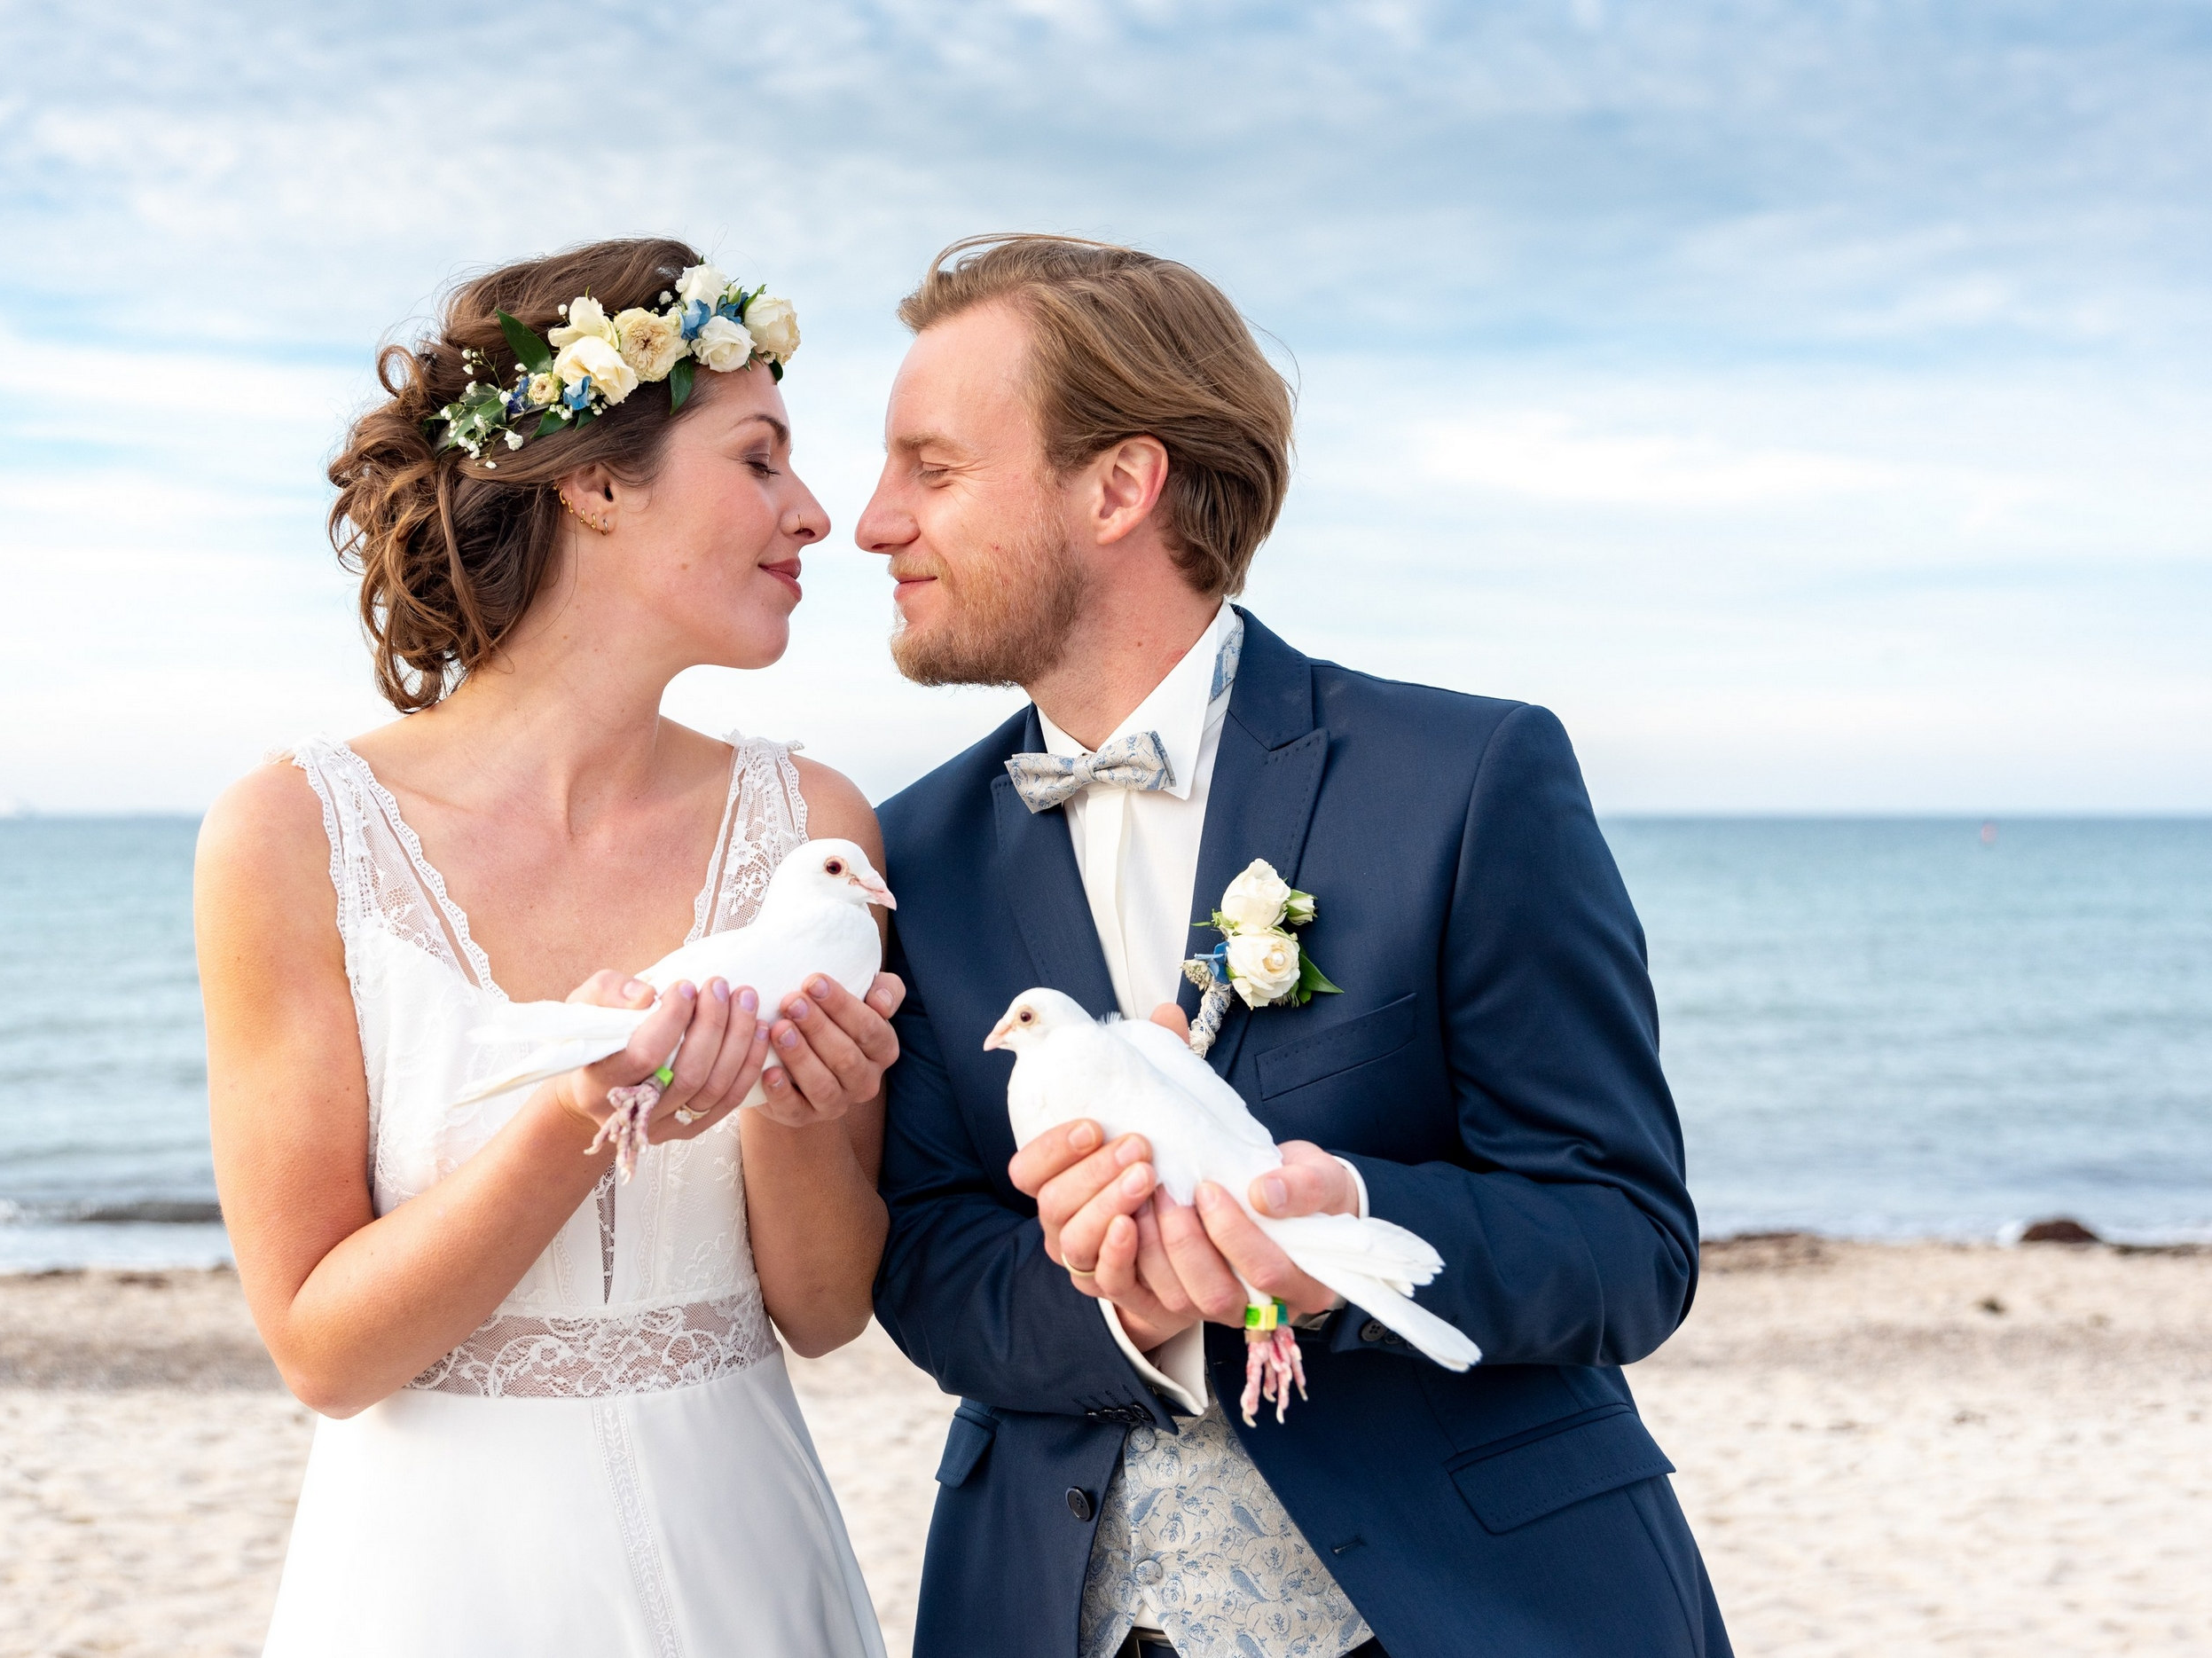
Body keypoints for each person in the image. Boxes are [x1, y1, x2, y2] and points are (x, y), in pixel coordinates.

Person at [866, 235, 1730, 1658]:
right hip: (1056, 1610)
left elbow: (1626, 1238)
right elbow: (928, 1255)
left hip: (1479, 1606)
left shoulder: (1466, 776)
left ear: (1118, 487)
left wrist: (1340, 1242)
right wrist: (1119, 1302)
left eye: (933, 468)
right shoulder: (913, 855)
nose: (874, 521)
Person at [193, 237, 896, 1656]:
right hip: (436, 1581)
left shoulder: (815, 828)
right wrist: (584, 1114)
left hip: (741, 1553)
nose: (814, 512)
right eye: (760, 458)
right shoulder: (290, 834)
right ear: (592, 482)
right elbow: (324, 1348)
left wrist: (801, 1117)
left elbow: (821, 1309)